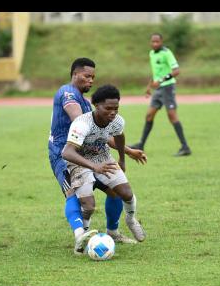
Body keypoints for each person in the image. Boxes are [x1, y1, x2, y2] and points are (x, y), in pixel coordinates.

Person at [48, 58, 147, 255]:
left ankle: (113, 231)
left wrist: (127, 151)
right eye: (87, 76)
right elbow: (80, 123)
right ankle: (80, 236)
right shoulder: (67, 93)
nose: (91, 80)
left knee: (115, 191)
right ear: (75, 74)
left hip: (93, 154)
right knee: (74, 195)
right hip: (64, 153)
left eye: (93, 77)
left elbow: (100, 134)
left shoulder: (87, 103)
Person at [130, 33, 191, 156]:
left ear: (161, 42)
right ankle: (141, 144)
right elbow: (155, 73)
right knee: (149, 116)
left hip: (168, 88)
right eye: (153, 41)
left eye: (157, 42)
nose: (155, 44)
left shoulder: (167, 53)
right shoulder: (152, 54)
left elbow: (176, 71)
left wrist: (162, 80)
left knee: (172, 116)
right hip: (158, 90)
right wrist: (149, 86)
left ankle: (185, 147)